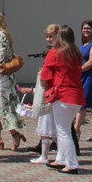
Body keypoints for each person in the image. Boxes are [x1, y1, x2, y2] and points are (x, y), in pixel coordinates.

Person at [39, 24, 85, 174]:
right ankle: (61, 159)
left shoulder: (55, 52)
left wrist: (45, 89)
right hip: (77, 95)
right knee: (63, 129)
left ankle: (71, 164)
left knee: (63, 131)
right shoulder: (76, 52)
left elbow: (45, 76)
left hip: (62, 95)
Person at [0, 10, 25, 149]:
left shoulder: (1, 35)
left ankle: (14, 134)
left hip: (3, 79)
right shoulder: (0, 35)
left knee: (3, 107)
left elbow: (0, 57)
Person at [28, 25, 59, 165]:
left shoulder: (57, 52)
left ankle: (46, 156)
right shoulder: (54, 52)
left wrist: (43, 75)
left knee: (49, 129)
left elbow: (49, 76)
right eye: (47, 37)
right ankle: (51, 155)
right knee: (51, 129)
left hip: (51, 95)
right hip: (49, 94)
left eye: (51, 36)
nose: (48, 39)